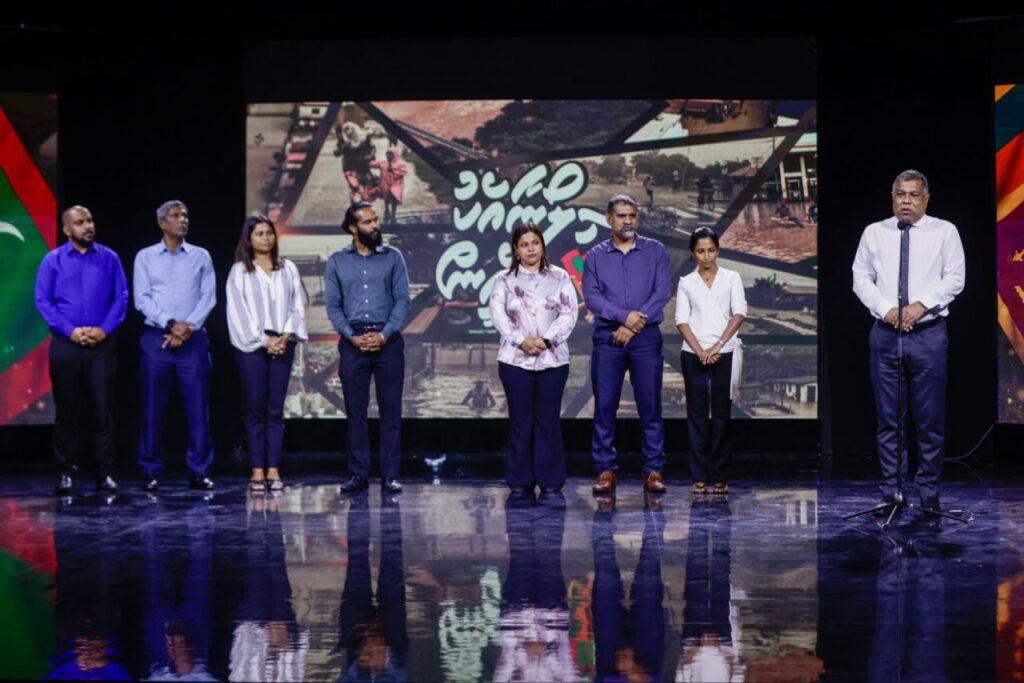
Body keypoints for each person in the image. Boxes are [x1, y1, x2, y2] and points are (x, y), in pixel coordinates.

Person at [852, 169, 965, 512]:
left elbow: (955, 278)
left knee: (929, 419)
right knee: (889, 419)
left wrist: (921, 305)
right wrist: (886, 309)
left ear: (926, 199)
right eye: (900, 194)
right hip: (885, 335)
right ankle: (892, 492)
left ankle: (928, 491)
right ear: (892, 198)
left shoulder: (944, 231)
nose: (906, 201)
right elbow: (860, 277)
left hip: (928, 335)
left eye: (914, 195)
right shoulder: (874, 232)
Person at [34, 205, 128, 494]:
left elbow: (121, 298)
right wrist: (71, 331)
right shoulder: (53, 261)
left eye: (89, 220)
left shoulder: (110, 258)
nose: (88, 226)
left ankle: (104, 472)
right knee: (67, 412)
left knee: (102, 412)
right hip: (67, 345)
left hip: (101, 345)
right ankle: (66, 472)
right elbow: (43, 301)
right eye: (80, 222)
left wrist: (103, 329)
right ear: (66, 229)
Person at [582, 194, 672, 495]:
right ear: (609, 218)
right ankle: (605, 470)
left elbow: (662, 292)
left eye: (632, 215)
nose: (628, 221)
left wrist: (632, 326)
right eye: (621, 216)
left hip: (645, 339)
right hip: (608, 339)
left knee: (650, 405)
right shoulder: (595, 256)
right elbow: (592, 298)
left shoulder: (655, 250)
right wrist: (624, 318)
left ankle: (654, 470)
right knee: (605, 406)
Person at [325, 201, 410, 493]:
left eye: (376, 220)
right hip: (353, 343)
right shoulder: (337, 261)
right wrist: (351, 336)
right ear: (352, 228)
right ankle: (358, 473)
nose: (375, 226)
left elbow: (402, 301)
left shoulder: (393, 257)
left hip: (388, 342)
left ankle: (390, 475)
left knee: (391, 411)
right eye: (368, 222)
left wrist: (384, 335)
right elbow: (333, 305)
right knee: (355, 412)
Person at [489, 223, 579, 494]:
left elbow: (569, 313)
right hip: (515, 360)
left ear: (542, 246)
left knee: (548, 420)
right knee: (521, 420)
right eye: (525, 245)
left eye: (535, 243)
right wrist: (521, 341)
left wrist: (545, 340)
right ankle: (520, 480)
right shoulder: (503, 279)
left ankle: (550, 480)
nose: (531, 249)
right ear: (516, 249)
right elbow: (498, 315)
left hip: (553, 359)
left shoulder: (560, 276)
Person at [134, 199, 217, 491]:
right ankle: (150, 470)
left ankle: (199, 470)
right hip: (156, 339)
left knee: (198, 408)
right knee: (152, 408)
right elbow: (142, 298)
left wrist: (186, 328)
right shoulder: (145, 257)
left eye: (185, 215)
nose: (183, 220)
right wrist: (171, 324)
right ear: (162, 223)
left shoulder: (201, 256)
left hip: (193, 341)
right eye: (176, 215)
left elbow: (208, 297)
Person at [226, 215, 308, 493]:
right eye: (259, 233)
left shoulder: (288, 268)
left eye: (269, 233)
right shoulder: (240, 271)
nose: (266, 238)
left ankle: (273, 468)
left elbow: (297, 305)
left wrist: (285, 336)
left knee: (275, 409)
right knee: (255, 409)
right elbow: (238, 311)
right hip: (252, 347)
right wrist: (264, 341)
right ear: (249, 239)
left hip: (283, 342)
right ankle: (257, 469)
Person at [675, 226, 747, 495]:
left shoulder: (731, 277)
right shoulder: (686, 282)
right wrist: (700, 350)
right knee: (696, 415)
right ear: (692, 253)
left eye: (711, 250)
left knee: (721, 416)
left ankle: (719, 474)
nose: (706, 256)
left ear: (718, 250)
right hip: (693, 353)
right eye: (701, 251)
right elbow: (681, 320)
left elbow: (739, 313)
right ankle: (698, 475)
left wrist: (717, 346)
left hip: (724, 352)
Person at [369, 146, 407, 224]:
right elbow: (373, 164)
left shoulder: (400, 164)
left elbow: (403, 172)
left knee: (394, 198)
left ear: (395, 154)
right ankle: (387, 210)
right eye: (388, 154)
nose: (389, 156)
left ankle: (393, 213)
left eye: (391, 154)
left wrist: (393, 170)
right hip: (385, 184)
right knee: (386, 197)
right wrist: (368, 159)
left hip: (396, 185)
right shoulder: (383, 163)